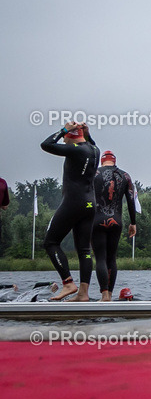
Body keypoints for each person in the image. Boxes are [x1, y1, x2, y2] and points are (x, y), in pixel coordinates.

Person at [41, 121, 100, 301]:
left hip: (73, 203)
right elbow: (92, 144)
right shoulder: (94, 150)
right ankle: (83, 294)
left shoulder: (75, 149)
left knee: (50, 242)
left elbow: (46, 144)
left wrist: (64, 129)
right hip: (90, 203)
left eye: (66, 138)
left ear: (70, 137)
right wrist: (86, 133)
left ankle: (68, 283)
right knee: (84, 250)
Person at [92, 150, 137, 301]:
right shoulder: (124, 176)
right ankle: (110, 295)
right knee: (112, 258)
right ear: (115, 162)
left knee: (100, 258)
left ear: (102, 162)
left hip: (97, 220)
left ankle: (104, 295)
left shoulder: (94, 174)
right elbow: (131, 200)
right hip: (116, 221)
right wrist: (133, 222)